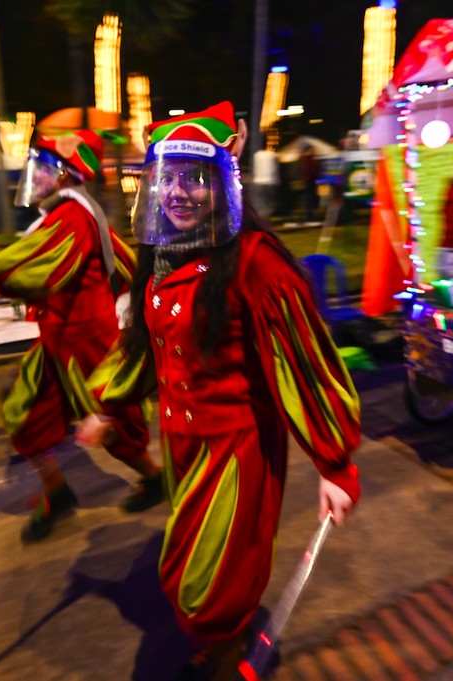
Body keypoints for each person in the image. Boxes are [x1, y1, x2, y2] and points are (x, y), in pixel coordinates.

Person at [78, 102, 361, 679]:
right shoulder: (161, 254)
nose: (178, 193)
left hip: (237, 449)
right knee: (187, 570)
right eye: (169, 178)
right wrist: (108, 405)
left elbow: (305, 363)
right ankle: (221, 643)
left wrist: (335, 463)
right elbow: (146, 346)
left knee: (208, 589)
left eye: (196, 178)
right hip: (180, 441)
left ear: (223, 183)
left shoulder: (257, 264)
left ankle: (226, 659)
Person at [0, 129, 162, 544]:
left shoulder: (74, 216)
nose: (35, 176)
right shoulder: (66, 214)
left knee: (113, 428)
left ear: (65, 174)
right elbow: (35, 256)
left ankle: (154, 479)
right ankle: (57, 494)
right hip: (56, 341)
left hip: (88, 344)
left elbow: (35, 268)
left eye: (42, 168)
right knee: (26, 415)